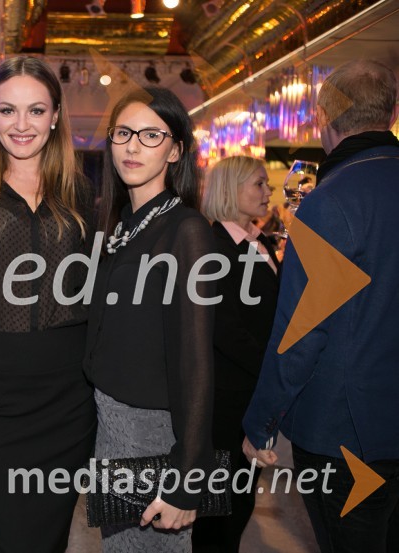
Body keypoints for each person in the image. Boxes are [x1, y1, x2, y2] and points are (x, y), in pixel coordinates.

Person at [0, 56, 96, 553]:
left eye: (35, 110)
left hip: (69, 398)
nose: (21, 125)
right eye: (8, 110)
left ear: (55, 116)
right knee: (10, 538)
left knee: (50, 541)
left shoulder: (79, 188)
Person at [242, 60, 399, 553]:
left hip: (345, 432)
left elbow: (301, 331)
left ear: (322, 119)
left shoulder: (329, 204)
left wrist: (260, 424)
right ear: (393, 114)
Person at [83, 86, 217, 552]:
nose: (133, 146)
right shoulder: (121, 225)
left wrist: (187, 479)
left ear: (176, 149)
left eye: (151, 134)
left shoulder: (186, 230)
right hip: (112, 428)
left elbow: (197, 366)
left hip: (154, 438)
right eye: (123, 133)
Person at [193, 156, 280, 553]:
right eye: (259, 184)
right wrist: (276, 368)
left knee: (240, 500)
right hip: (223, 400)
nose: (268, 192)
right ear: (231, 189)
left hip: (255, 392)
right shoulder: (212, 246)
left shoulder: (261, 243)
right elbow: (223, 327)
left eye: (267, 185)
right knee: (217, 512)